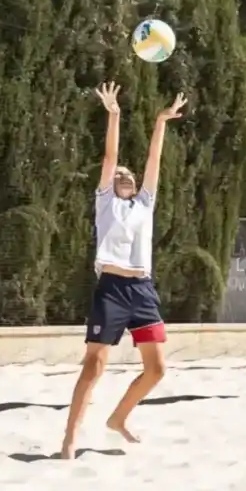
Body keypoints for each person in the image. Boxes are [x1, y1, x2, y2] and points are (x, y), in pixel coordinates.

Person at [60, 84, 187, 460]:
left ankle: (118, 418)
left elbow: (153, 160)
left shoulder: (145, 202)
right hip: (112, 289)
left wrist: (162, 121)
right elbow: (110, 155)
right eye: (120, 176)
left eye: (129, 176)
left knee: (157, 369)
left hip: (143, 290)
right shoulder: (105, 203)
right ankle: (69, 439)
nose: (125, 176)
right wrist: (113, 114)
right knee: (94, 364)